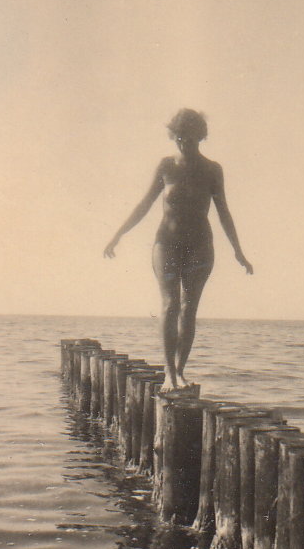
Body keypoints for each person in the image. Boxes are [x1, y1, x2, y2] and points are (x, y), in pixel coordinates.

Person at [104, 109, 253, 392]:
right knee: (170, 304)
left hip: (200, 245)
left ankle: (180, 371)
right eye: (179, 136)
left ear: (201, 136)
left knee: (189, 308)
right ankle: (169, 375)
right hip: (167, 243)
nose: (184, 142)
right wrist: (118, 235)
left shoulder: (212, 170)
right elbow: (144, 204)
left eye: (191, 137)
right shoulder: (166, 166)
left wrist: (238, 251)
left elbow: (223, 212)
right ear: (173, 135)